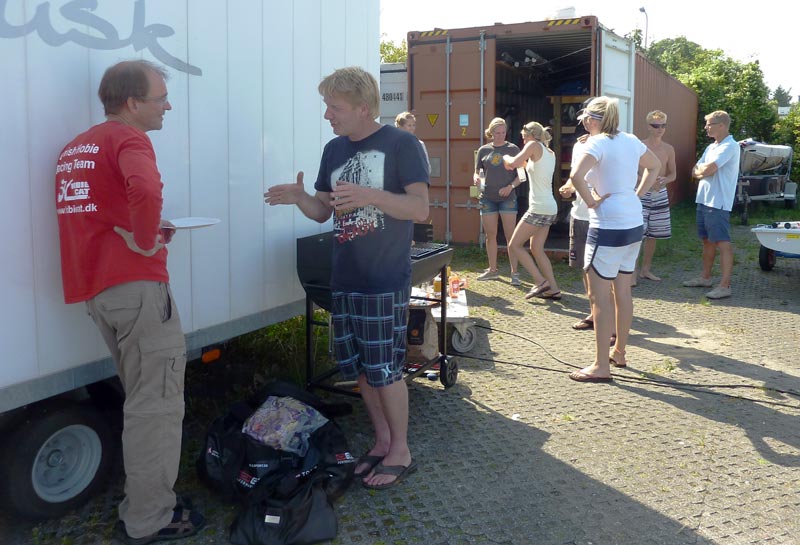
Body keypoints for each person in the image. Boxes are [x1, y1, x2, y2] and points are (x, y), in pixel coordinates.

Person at [54, 60, 205, 543]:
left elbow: (98, 214)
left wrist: (145, 232)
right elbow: (145, 189)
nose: (168, 106)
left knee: (142, 400)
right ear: (132, 103)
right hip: (136, 288)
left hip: (100, 291)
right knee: (157, 406)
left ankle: (141, 505)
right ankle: (149, 519)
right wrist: (146, 240)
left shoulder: (77, 147)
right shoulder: (130, 139)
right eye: (161, 98)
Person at [264, 66, 429, 489]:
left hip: (383, 277)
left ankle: (402, 451)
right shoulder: (333, 150)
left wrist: (370, 195)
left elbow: (420, 209)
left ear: (362, 106)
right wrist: (301, 197)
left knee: (385, 369)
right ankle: (382, 441)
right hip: (345, 277)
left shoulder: (402, 143)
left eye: (333, 107)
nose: (327, 115)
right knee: (359, 369)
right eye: (326, 106)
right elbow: (323, 212)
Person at [568, 97, 661, 382]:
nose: (583, 121)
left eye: (585, 117)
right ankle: (618, 352)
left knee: (598, 298)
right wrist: (637, 194)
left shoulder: (595, 144)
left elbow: (575, 175)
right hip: (633, 223)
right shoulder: (631, 140)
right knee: (623, 292)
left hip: (607, 225)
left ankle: (600, 366)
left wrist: (592, 201)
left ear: (592, 119)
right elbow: (654, 166)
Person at [682, 110, 741, 299]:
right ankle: (705, 278)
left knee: (722, 242)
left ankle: (725, 285)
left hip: (718, 203)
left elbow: (709, 168)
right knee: (707, 241)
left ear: (722, 125)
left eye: (709, 124)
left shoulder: (730, 146)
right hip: (703, 200)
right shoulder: (711, 147)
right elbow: (695, 170)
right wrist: (702, 171)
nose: (706, 127)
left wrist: (703, 171)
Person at [501, 121, 560, 299]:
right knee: (536, 248)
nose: (523, 140)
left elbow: (512, 162)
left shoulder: (533, 145)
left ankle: (540, 281)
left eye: (524, 136)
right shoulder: (549, 152)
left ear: (531, 135)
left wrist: (506, 159)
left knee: (515, 245)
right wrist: (520, 164)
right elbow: (530, 168)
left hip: (538, 208)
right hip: (550, 207)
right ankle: (554, 289)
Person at [473, 117, 521, 281]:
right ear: (491, 133)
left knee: (511, 237)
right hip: (487, 197)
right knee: (490, 235)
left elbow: (521, 176)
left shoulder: (513, 149)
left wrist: (510, 187)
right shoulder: (483, 150)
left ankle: (515, 272)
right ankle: (493, 270)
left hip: (508, 198)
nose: (500, 136)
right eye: (497, 133)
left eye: (503, 132)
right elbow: (477, 171)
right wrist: (476, 179)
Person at [636, 110, 676, 282]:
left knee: (654, 235)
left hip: (660, 194)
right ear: (648, 127)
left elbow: (673, 174)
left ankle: (646, 270)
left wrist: (664, 180)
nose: (660, 129)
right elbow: (631, 171)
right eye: (656, 125)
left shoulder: (668, 148)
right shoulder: (639, 145)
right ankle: (631, 273)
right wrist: (647, 181)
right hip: (640, 193)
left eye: (663, 125)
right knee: (637, 233)